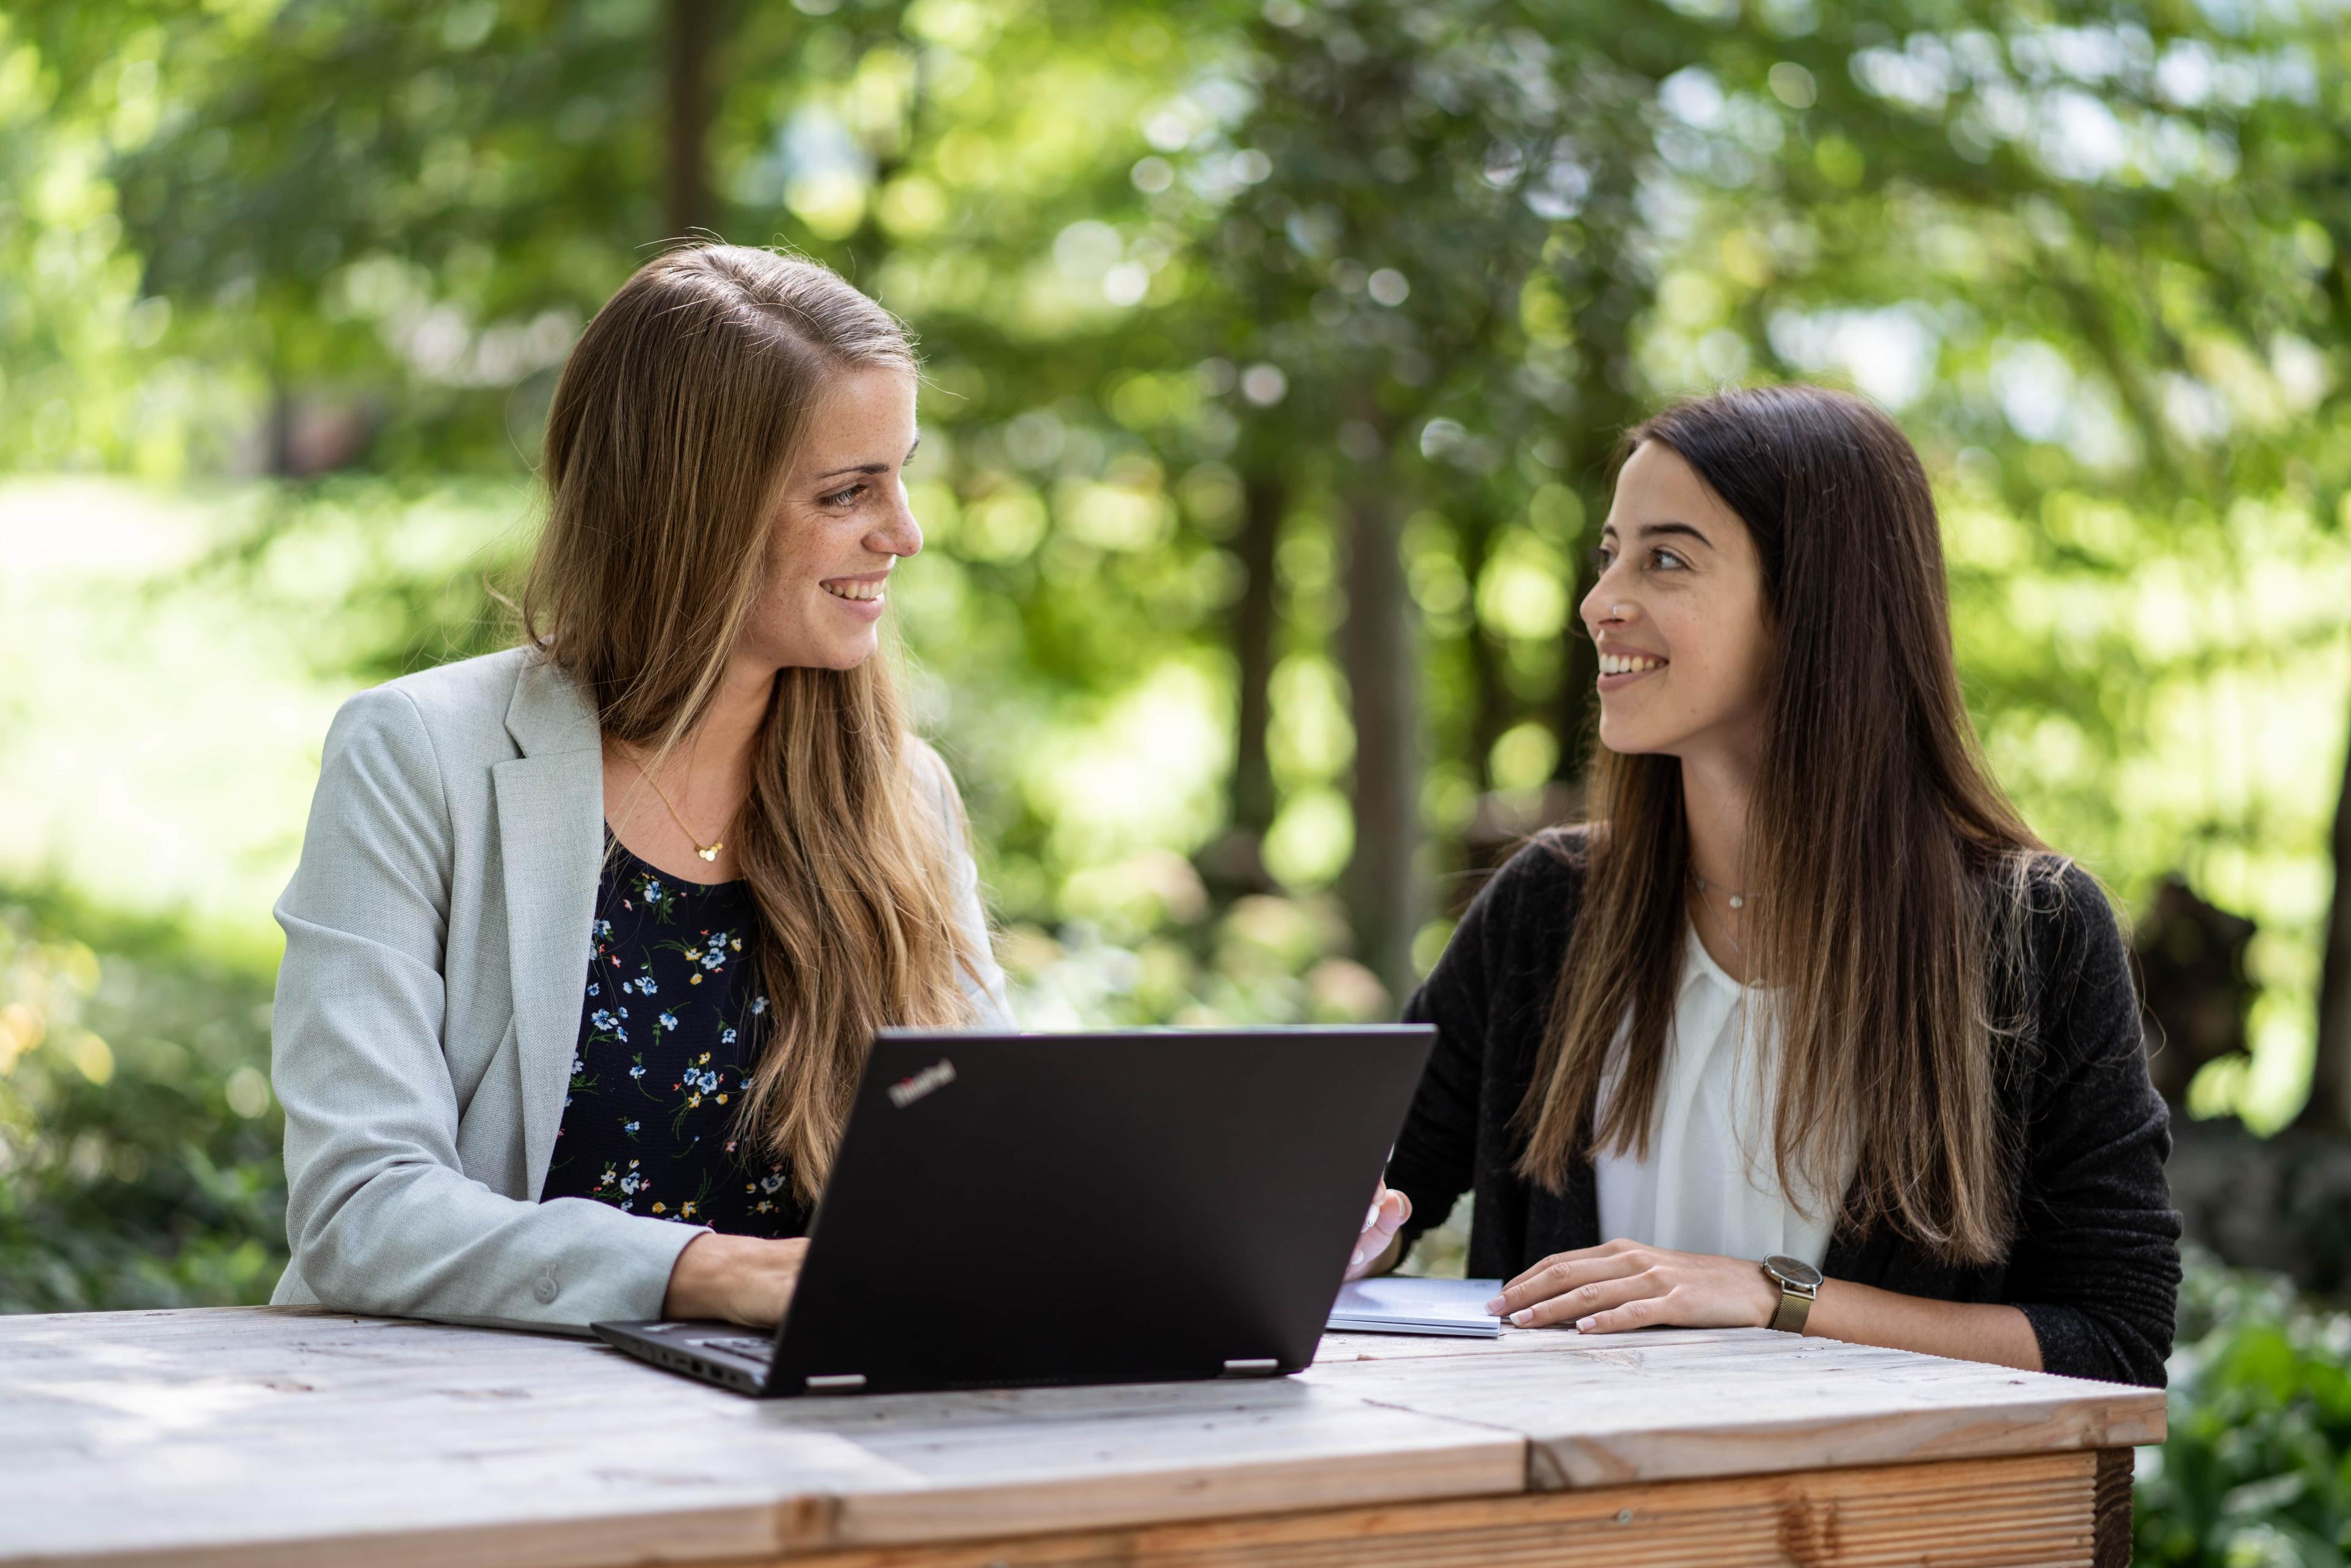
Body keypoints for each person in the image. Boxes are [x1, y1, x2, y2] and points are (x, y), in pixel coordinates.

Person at [1345, 384, 2180, 1387]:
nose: (1599, 598)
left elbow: (2115, 1340)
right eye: (1610, 552)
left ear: (1814, 604)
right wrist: (1339, 1221)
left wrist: (1771, 1297)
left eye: (1665, 557)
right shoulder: (1547, 908)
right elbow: (1379, 1195)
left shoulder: (2032, 933)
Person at [269, 244, 1013, 1334]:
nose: (904, 531)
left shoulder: (904, 791)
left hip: (820, 1420)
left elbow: (994, 1161)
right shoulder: (416, 755)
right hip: (465, 1426)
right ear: (692, 511)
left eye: (901, 474)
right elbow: (360, 1208)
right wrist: (705, 1272)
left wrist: (1229, 1227)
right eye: (849, 490)